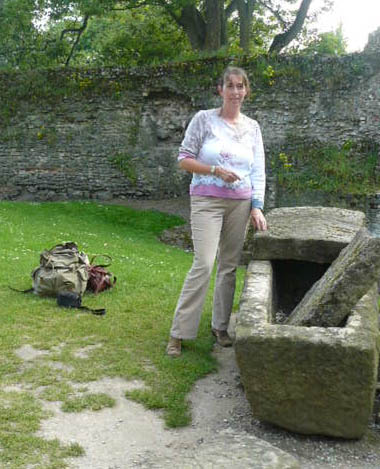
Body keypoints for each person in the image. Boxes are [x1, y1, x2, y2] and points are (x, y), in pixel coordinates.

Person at [166, 66, 267, 357]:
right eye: (230, 86)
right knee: (204, 263)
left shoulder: (253, 127)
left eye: (240, 86)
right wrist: (214, 170)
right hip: (207, 199)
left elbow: (258, 170)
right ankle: (179, 333)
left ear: (246, 91)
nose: (235, 92)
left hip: (240, 202)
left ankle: (220, 327)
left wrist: (257, 207)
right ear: (220, 89)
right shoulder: (204, 120)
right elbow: (183, 159)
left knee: (229, 266)